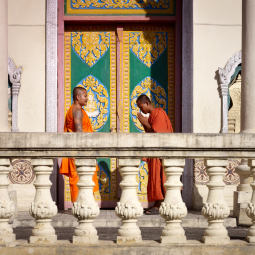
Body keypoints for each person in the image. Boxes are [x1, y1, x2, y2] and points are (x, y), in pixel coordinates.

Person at [60, 87, 99, 203]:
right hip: (80, 152)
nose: (87, 99)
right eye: (85, 96)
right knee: (80, 179)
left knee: (83, 179)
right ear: (78, 97)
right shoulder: (77, 111)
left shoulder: (76, 110)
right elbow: (79, 133)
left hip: (80, 151)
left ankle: (83, 203)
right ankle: (80, 204)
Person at [136, 94, 173, 215]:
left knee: (160, 178)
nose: (141, 110)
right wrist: (145, 123)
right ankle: (158, 204)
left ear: (147, 103)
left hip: (160, 153)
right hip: (154, 153)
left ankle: (159, 205)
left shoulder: (158, 113)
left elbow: (158, 133)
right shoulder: (153, 115)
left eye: (141, 106)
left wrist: (144, 123)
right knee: (155, 177)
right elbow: (152, 131)